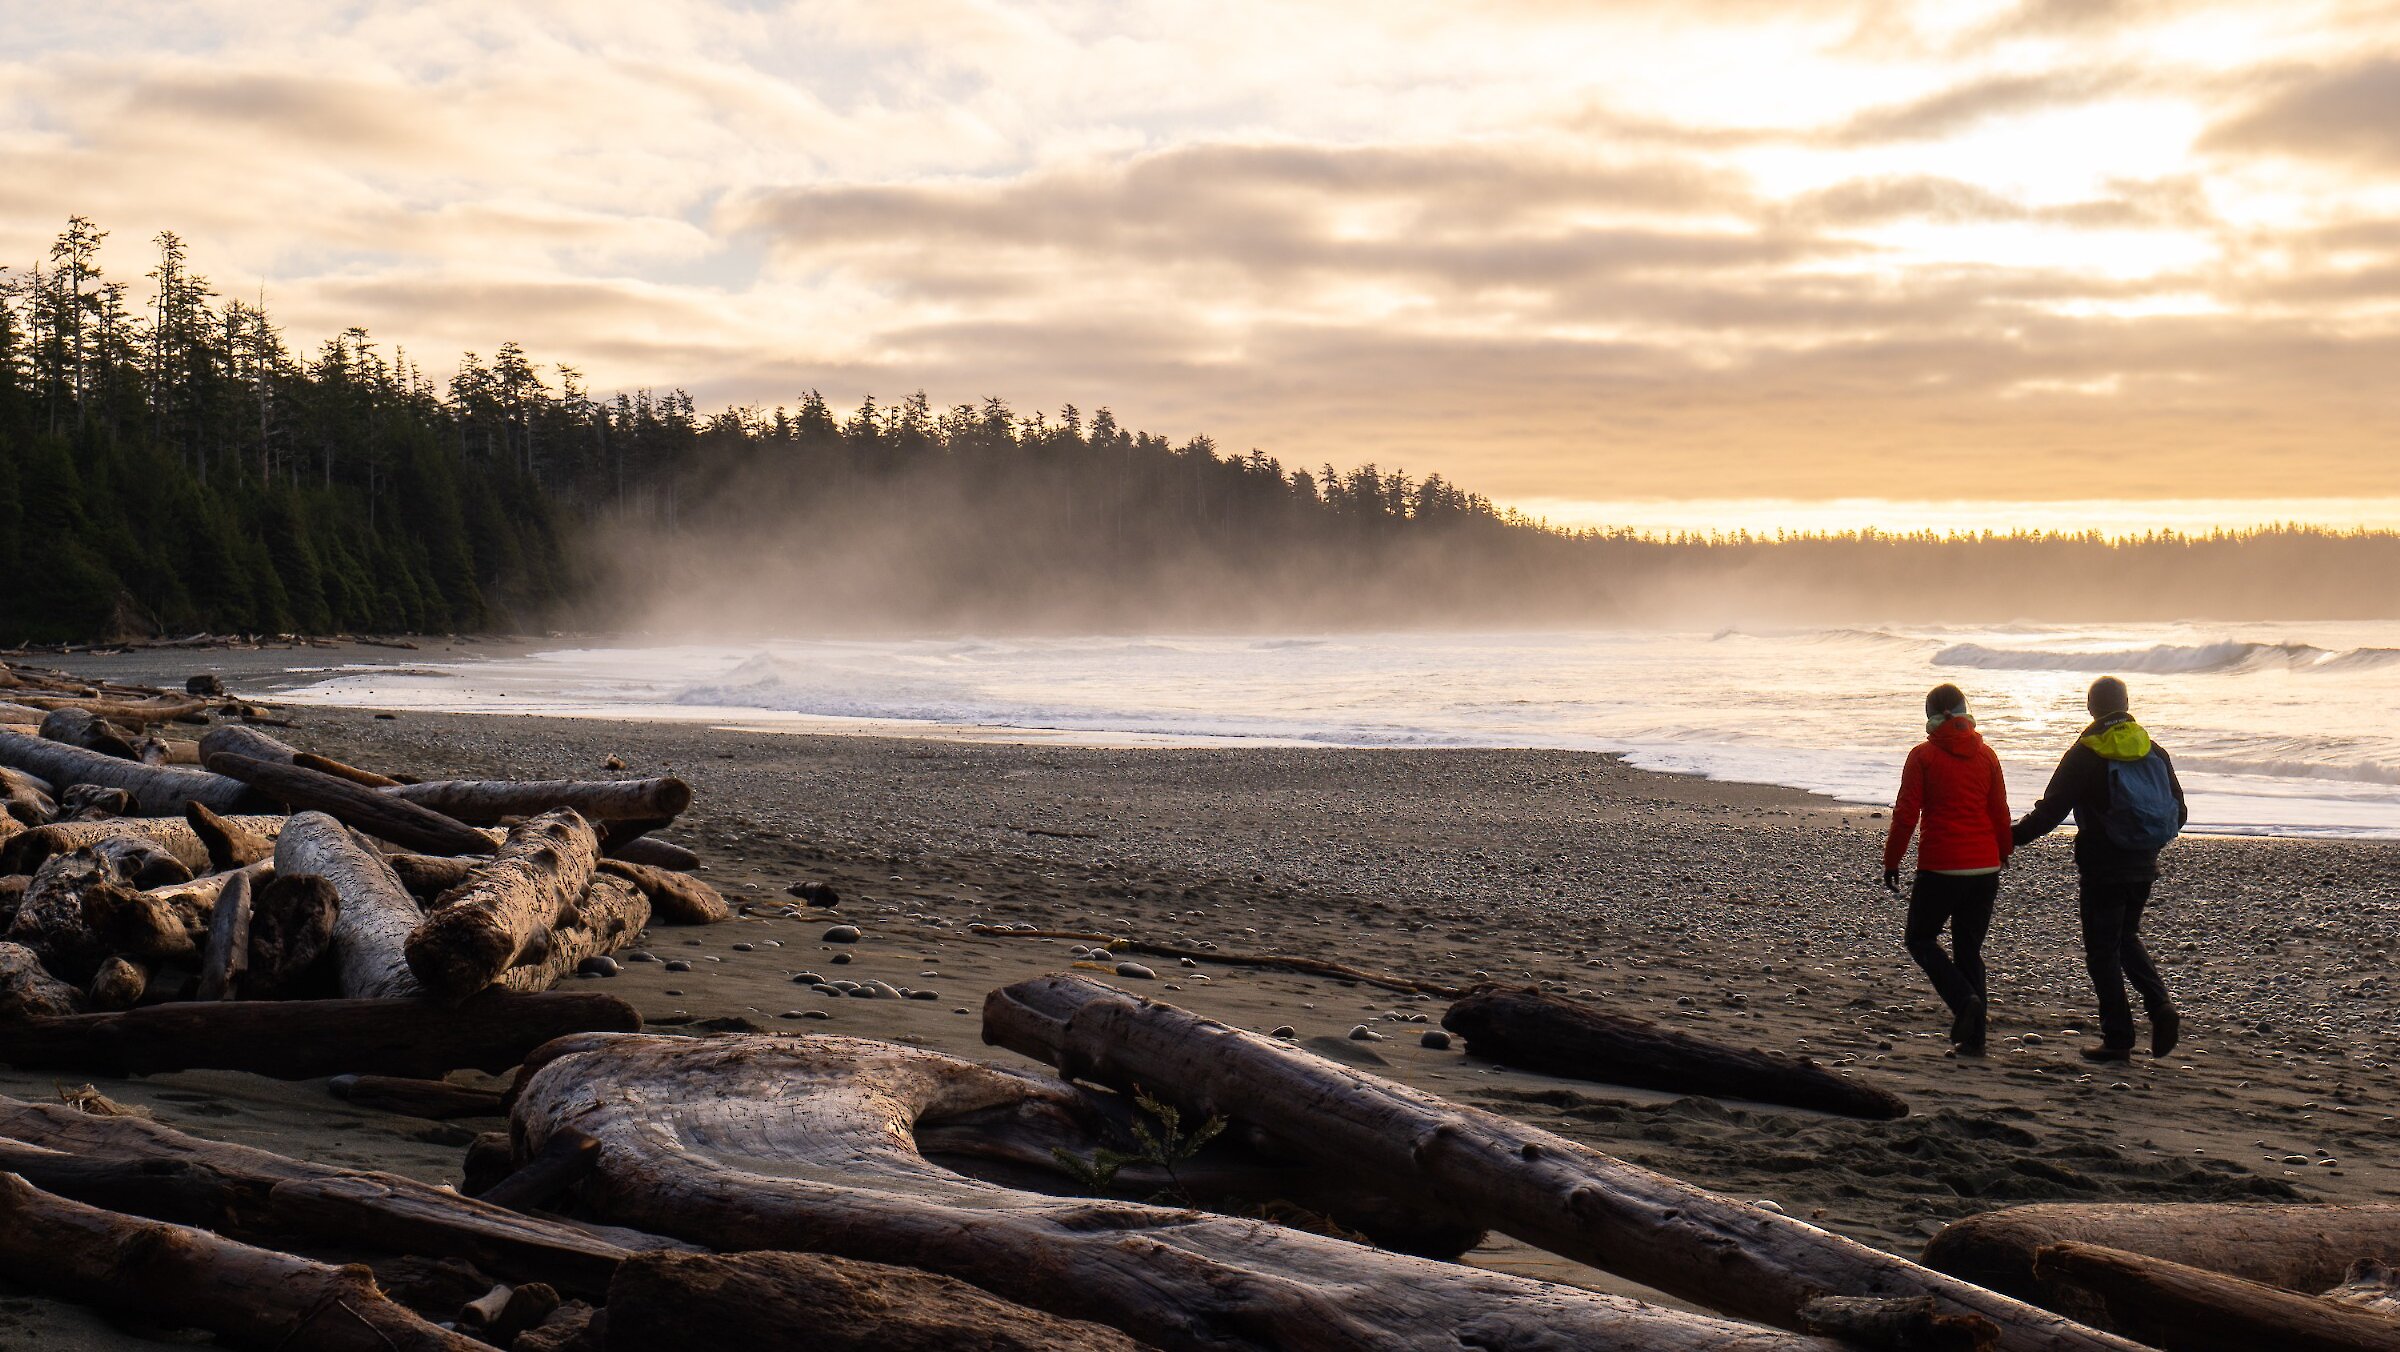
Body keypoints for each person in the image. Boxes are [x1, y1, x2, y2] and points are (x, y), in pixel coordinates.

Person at [2014, 675, 2188, 1063]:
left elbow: (2051, 812)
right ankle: (2159, 1006)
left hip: (2102, 867)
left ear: (2091, 707)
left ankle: (2118, 1039)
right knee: (2125, 937)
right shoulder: (2152, 749)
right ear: (2127, 704)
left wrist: (2007, 839)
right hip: (2144, 863)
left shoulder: (2085, 752)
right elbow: (2180, 811)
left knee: (2102, 952)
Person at [1882, 683, 2013, 1056]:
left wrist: (1892, 861)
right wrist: (2003, 852)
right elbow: (2000, 811)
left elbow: (1907, 814)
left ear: (1929, 716)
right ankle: (1975, 1042)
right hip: (1984, 866)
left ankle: (1963, 1001)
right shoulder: (1986, 755)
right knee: (1968, 950)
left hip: (1941, 866)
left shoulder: (1923, 756)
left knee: (1920, 939)